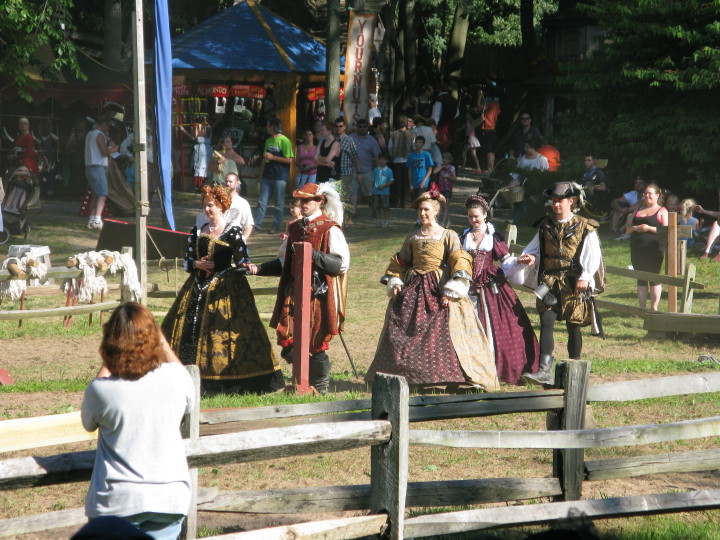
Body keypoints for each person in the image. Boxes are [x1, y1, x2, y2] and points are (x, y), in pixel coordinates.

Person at [81, 302, 195, 538]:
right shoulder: (177, 378)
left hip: (117, 501)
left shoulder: (101, 390)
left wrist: (111, 358)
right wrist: (159, 339)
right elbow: (182, 376)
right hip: (169, 497)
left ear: (111, 343)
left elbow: (88, 423)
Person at [365, 190, 499, 391]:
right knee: (402, 328)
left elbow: (460, 259)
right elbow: (401, 261)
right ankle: (407, 377)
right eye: (420, 210)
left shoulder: (448, 235)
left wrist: (452, 290)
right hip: (413, 288)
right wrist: (396, 281)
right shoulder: (413, 237)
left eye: (426, 209)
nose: (422, 213)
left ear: (436, 211)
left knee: (443, 331)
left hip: (437, 289)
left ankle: (447, 377)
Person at [162, 185, 284, 395]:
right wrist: (197, 265)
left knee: (221, 333)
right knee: (185, 328)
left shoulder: (233, 231)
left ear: (221, 206)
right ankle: (182, 376)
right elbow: (188, 259)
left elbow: (242, 259)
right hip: (196, 286)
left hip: (225, 288)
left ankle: (219, 383)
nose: (207, 209)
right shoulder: (198, 229)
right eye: (205, 205)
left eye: (211, 205)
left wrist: (249, 267)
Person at [518, 182, 603, 386]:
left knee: (573, 325)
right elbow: (534, 249)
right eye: (554, 201)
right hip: (548, 281)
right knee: (546, 321)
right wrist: (529, 258)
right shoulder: (545, 226)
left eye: (560, 201)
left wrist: (586, 276)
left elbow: (593, 254)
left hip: (574, 281)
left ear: (570, 201)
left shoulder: (585, 225)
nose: (556, 205)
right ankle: (544, 370)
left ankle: (575, 371)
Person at [269, 182, 350, 394]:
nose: (302, 204)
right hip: (294, 292)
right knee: (287, 339)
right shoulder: (295, 228)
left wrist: (313, 255)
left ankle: (320, 386)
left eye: (307, 200)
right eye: (301, 200)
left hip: (318, 293)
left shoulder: (329, 228)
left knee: (316, 340)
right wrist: (256, 269)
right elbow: (282, 261)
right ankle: (304, 378)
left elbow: (340, 264)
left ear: (319, 201)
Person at [459, 196, 540, 384]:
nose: (474, 220)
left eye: (477, 216)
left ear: (485, 214)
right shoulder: (463, 236)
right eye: (470, 216)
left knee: (498, 326)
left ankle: (497, 369)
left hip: (490, 286)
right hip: (467, 284)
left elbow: (506, 261)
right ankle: (471, 369)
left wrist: (519, 261)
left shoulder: (493, 236)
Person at [625, 183, 668, 311]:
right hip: (637, 248)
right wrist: (635, 228)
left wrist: (649, 228)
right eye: (645, 193)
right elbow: (627, 229)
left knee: (654, 277)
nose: (647, 196)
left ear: (657, 195)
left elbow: (666, 231)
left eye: (650, 193)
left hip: (654, 248)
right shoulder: (637, 210)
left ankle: (654, 308)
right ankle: (642, 308)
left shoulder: (662, 211)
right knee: (641, 278)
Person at [254, 116, 294, 234]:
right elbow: (264, 160)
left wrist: (273, 157)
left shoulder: (285, 141)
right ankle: (257, 225)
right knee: (262, 201)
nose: (267, 128)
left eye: (268, 125)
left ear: (272, 127)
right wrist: (261, 175)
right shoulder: (268, 141)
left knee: (279, 203)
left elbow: (289, 160)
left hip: (280, 176)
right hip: (267, 175)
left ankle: (275, 226)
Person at [85, 115, 119, 231]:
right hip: (97, 166)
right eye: (108, 126)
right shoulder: (99, 135)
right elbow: (104, 152)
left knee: (95, 194)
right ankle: (97, 219)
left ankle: (91, 218)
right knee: (102, 194)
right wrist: (113, 149)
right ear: (103, 124)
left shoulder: (90, 134)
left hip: (89, 166)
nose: (108, 129)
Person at [349, 118, 381, 221]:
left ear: (367, 128)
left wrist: (377, 169)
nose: (362, 128)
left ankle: (374, 209)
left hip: (367, 170)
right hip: (352, 170)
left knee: (369, 193)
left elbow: (377, 156)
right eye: (360, 126)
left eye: (364, 126)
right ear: (357, 127)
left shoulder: (372, 140)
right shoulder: (350, 138)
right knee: (353, 192)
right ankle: (353, 212)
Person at [334, 117, 362, 225]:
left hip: (346, 172)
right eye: (336, 126)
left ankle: (348, 219)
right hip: (334, 172)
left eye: (340, 126)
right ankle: (338, 218)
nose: (338, 128)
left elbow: (355, 157)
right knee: (335, 196)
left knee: (346, 197)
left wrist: (359, 172)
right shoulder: (332, 139)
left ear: (344, 127)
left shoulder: (349, 140)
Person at [388, 115, 415, 208]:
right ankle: (406, 202)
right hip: (408, 161)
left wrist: (392, 156)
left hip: (396, 160)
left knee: (397, 182)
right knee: (407, 182)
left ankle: (397, 202)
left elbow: (390, 147)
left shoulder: (393, 134)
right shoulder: (411, 134)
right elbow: (414, 147)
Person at [478, 91, 500, 173]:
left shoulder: (489, 104)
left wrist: (479, 96)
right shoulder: (497, 105)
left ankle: (489, 168)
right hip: (493, 129)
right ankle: (492, 168)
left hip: (487, 128)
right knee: (492, 151)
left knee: (489, 150)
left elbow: (478, 108)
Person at [407, 136, 434, 202]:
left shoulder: (426, 154)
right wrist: (410, 183)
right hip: (414, 181)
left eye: (419, 142)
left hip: (423, 180)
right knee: (414, 201)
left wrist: (424, 181)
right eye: (416, 142)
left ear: (423, 144)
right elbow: (410, 169)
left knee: (420, 199)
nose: (417, 144)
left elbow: (430, 169)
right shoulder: (411, 155)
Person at [372, 153, 394, 227]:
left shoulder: (389, 170)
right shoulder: (375, 170)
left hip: (385, 192)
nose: (382, 161)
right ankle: (378, 220)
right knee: (377, 206)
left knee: (385, 207)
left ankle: (386, 220)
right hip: (376, 191)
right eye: (380, 159)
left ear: (387, 161)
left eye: (384, 159)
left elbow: (391, 180)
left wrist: (384, 185)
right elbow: (373, 180)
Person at [437, 152, 456, 228]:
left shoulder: (452, 168)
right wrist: (441, 167)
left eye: (446, 159)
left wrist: (448, 176)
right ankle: (448, 221)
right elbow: (434, 171)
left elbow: (454, 178)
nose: (444, 160)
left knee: (446, 205)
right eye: (443, 158)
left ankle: (443, 222)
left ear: (449, 160)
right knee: (442, 204)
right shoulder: (440, 167)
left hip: (448, 188)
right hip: (441, 188)